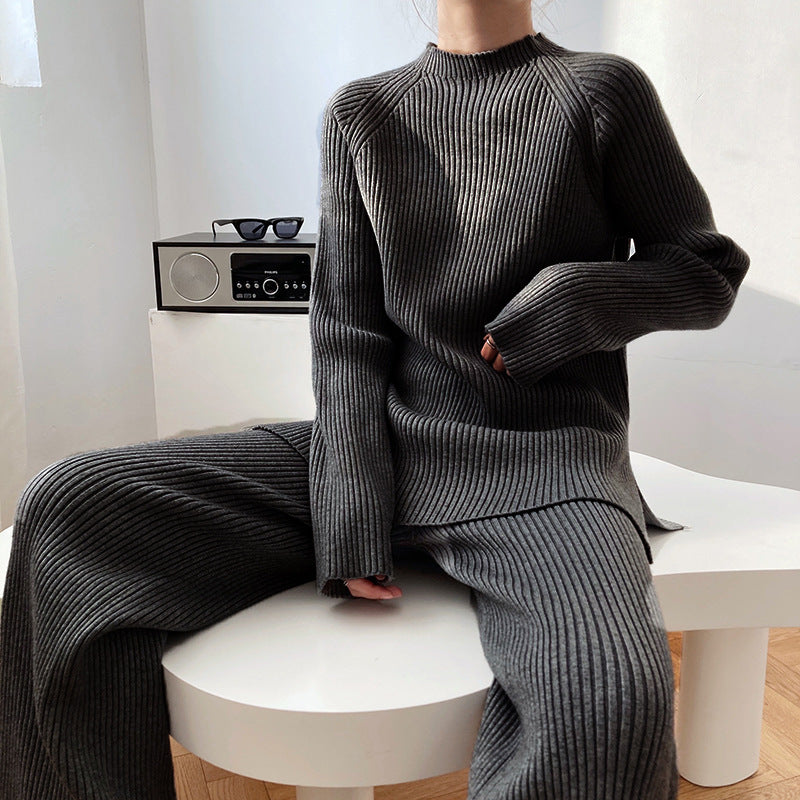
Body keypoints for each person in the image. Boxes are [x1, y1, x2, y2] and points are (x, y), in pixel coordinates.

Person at [0, 1, 750, 799]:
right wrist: (351, 508)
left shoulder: (600, 91)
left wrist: (576, 297)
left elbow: (706, 271)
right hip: (385, 454)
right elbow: (347, 334)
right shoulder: (363, 112)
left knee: (609, 702)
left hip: (545, 470)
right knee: (70, 507)